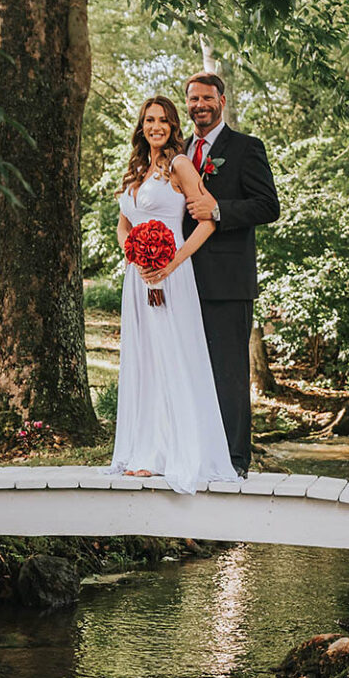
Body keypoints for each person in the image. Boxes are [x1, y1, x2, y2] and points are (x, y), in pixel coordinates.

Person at [108, 95, 240, 492]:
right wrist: (133, 252)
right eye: (149, 120)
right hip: (138, 276)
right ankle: (143, 449)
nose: (156, 127)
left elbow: (208, 220)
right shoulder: (135, 170)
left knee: (171, 356)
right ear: (141, 125)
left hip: (170, 275)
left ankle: (166, 454)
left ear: (172, 125)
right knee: (145, 359)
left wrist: (172, 261)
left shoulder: (180, 165)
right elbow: (123, 224)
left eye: (163, 120)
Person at [180, 72, 280, 477]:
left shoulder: (245, 148)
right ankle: (199, 452)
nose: (199, 105)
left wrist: (218, 211)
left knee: (229, 373)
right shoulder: (180, 151)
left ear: (222, 101)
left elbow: (267, 206)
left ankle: (236, 461)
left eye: (207, 98)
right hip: (183, 278)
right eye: (193, 99)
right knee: (190, 368)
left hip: (228, 281)